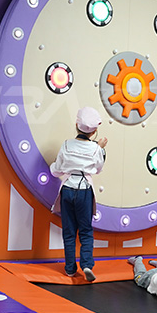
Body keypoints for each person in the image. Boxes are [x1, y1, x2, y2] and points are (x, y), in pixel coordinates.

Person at [50, 107, 107, 282]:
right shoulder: (96, 149)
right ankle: (87, 264)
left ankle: (69, 269)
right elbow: (98, 169)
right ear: (94, 131)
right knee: (86, 231)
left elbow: (56, 170)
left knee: (68, 231)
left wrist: (53, 166)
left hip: (67, 189)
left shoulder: (66, 145)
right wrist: (100, 149)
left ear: (76, 125)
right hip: (84, 191)